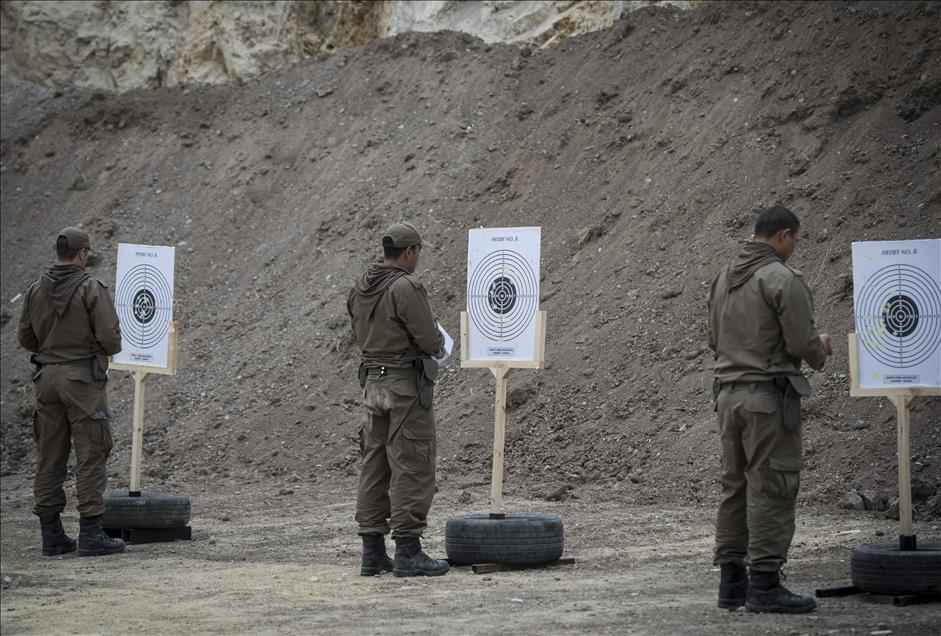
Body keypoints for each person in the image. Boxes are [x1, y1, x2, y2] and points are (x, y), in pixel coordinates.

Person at [707, 205, 832, 613]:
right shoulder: (782, 277)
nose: (795, 247)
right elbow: (801, 343)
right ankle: (763, 585)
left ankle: (732, 584)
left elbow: (714, 340)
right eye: (795, 239)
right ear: (783, 235)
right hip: (767, 399)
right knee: (772, 487)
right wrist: (821, 349)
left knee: (735, 488)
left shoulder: (723, 276)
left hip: (727, 396)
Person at [346, 222, 449, 577]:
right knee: (412, 462)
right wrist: (439, 344)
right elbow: (430, 341)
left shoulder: (362, 285)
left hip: (372, 382)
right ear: (408, 251)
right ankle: (407, 550)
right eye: (418, 251)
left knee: (374, 464)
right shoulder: (406, 287)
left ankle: (372, 552)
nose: (418, 257)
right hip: (404, 385)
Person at [17, 227, 126, 557]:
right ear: (82, 254)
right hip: (82, 381)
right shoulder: (91, 288)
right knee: (91, 452)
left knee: (50, 455)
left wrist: (53, 350)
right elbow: (111, 339)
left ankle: (51, 536)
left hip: (46, 379)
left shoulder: (35, 289)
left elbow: (26, 337)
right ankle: (91, 533)